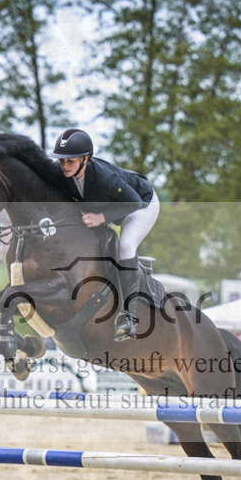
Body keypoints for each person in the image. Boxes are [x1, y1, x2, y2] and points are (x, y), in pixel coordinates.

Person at [50, 128, 159, 341]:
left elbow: (134, 202)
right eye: (62, 161)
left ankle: (129, 316)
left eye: (70, 161)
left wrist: (102, 217)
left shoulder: (103, 176)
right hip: (113, 207)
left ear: (85, 159)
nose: (64, 166)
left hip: (141, 203)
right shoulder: (63, 173)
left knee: (126, 245)